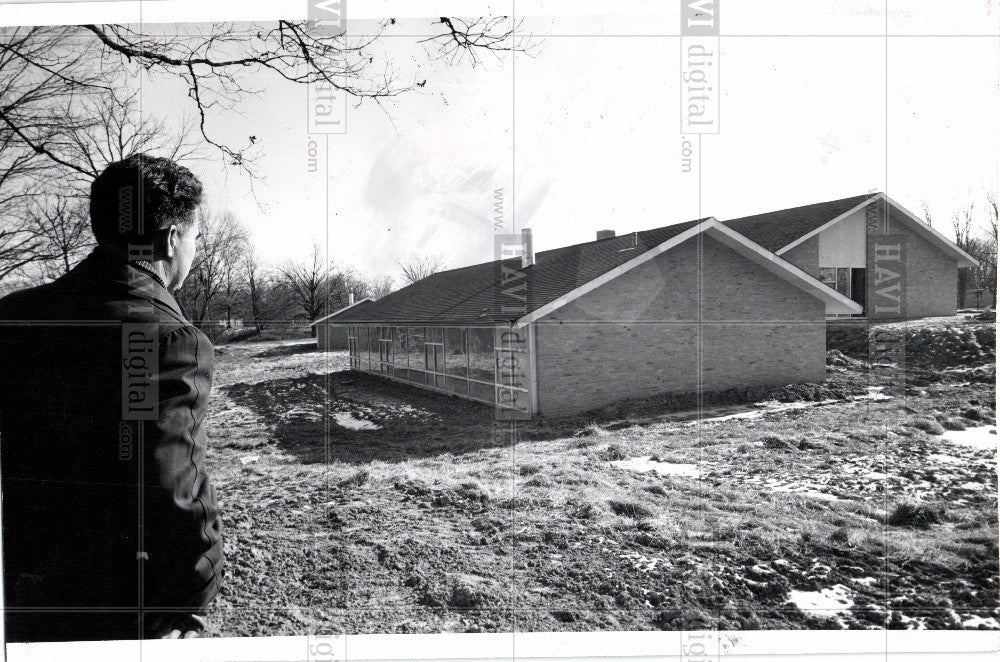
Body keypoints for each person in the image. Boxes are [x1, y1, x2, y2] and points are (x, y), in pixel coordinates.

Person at [0, 153, 223, 641]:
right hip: (120, 614)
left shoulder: (13, 318)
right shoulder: (164, 341)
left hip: (19, 604)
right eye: (195, 238)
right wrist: (194, 591)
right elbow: (169, 491)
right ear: (169, 239)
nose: (194, 250)